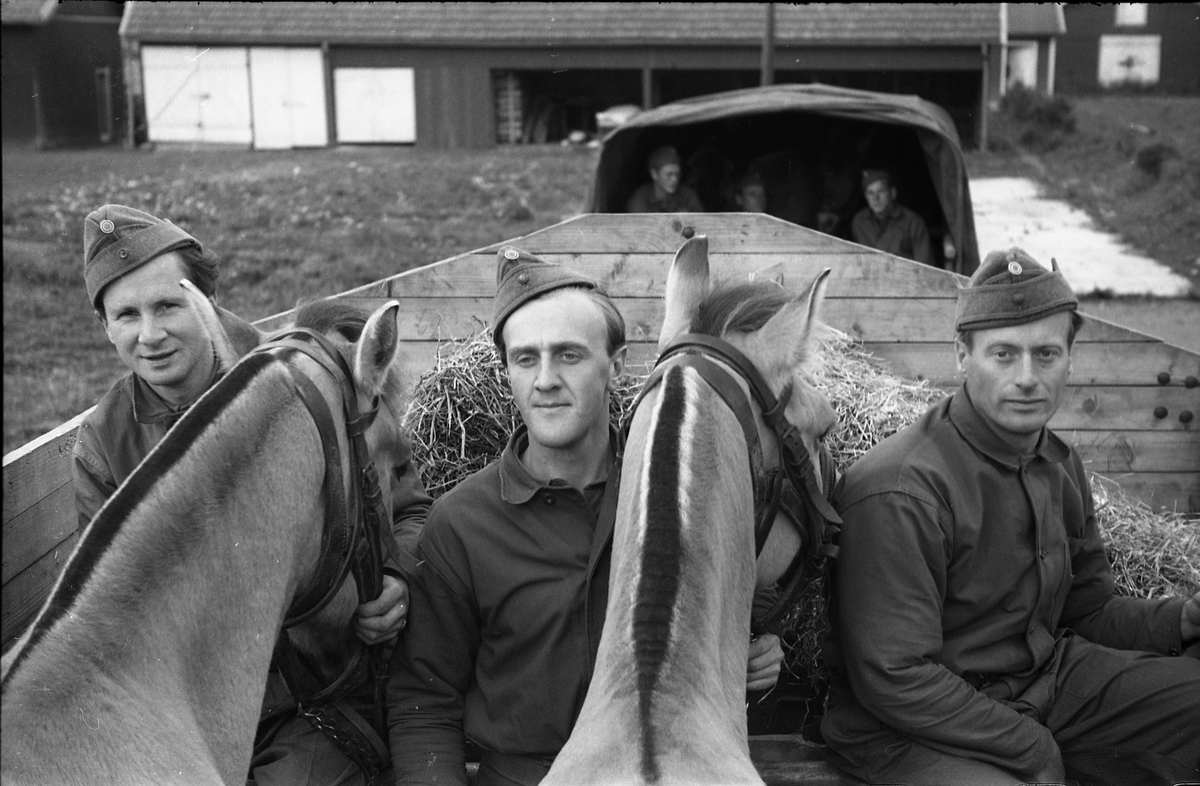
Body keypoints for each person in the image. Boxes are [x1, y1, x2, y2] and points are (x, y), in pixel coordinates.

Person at [387, 247, 785, 786]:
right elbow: (424, 700)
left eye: (569, 355)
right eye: (525, 359)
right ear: (506, 372)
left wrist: (746, 651)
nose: (545, 380)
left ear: (616, 366)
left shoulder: (675, 493)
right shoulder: (460, 524)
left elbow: (736, 600)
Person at [72, 204, 432, 786]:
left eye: (168, 305)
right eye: (126, 315)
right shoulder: (104, 445)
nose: (150, 334)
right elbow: (109, 610)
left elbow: (409, 506)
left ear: (208, 305)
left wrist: (397, 575)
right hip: (182, 707)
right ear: (104, 326)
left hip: (315, 692)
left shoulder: (296, 388)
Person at [821, 248, 1200, 786]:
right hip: (912, 725)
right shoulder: (903, 488)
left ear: (1070, 359)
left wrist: (1181, 619)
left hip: (1046, 682)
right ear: (962, 355)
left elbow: (1088, 611)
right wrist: (1031, 747)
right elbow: (895, 676)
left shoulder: (1060, 464)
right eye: (1004, 354)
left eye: (1046, 354)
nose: (1027, 377)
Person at [849, 169, 934, 266]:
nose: (875, 198)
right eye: (870, 193)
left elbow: (925, 266)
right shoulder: (859, 222)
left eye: (881, 191)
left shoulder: (913, 222)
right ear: (865, 196)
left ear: (893, 193)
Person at [624, 145, 705, 213]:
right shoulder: (640, 199)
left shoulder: (688, 196)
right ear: (654, 174)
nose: (674, 179)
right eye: (669, 174)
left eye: (677, 174)